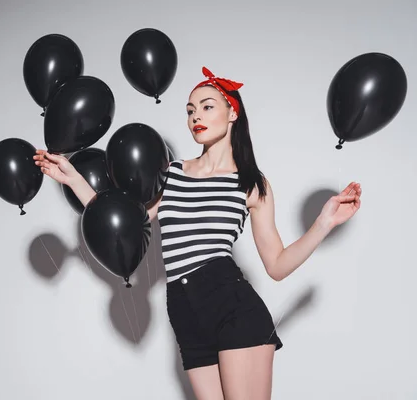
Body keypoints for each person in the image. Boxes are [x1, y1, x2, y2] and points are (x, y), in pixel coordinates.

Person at [33, 66, 362, 400]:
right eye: (190, 111)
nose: (195, 117)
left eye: (207, 106)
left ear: (232, 112)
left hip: (232, 307)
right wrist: (74, 179)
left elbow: (276, 265)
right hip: (184, 311)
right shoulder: (172, 174)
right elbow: (127, 225)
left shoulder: (251, 184)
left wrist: (324, 223)